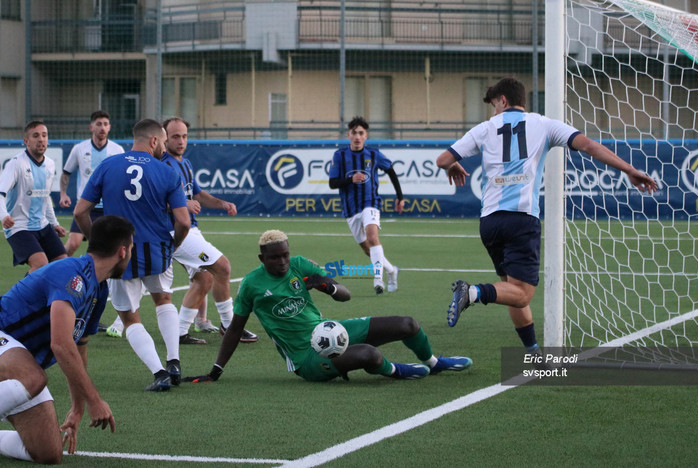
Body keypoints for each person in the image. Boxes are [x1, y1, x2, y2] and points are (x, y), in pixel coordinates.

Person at [436, 77, 658, 355]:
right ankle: (472, 293)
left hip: (490, 222)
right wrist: (628, 169)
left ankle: (533, 353)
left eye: (494, 105)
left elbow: (443, 159)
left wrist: (453, 166)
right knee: (523, 294)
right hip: (521, 219)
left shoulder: (484, 129)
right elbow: (588, 145)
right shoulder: (543, 124)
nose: (493, 112)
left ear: (503, 101)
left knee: (512, 293)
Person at [184, 230, 471, 383]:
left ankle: (433, 363)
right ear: (262, 259)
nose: (282, 262)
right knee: (370, 354)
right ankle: (395, 371)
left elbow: (343, 296)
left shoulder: (300, 265)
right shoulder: (251, 285)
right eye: (274, 258)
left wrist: (327, 285)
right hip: (305, 359)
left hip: (331, 331)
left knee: (408, 324)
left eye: (285, 255)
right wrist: (215, 370)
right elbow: (235, 329)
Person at [0, 215, 132, 463]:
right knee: (33, 378)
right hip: (5, 341)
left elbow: (78, 350)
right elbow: (60, 344)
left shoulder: (98, 289)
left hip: (21, 364)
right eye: (132, 247)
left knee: (47, 453)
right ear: (123, 251)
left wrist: (78, 409)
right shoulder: (72, 274)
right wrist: (95, 401)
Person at [74, 118, 190, 392]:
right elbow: (184, 222)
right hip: (157, 249)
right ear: (153, 141)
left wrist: (98, 242)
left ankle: (159, 372)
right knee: (163, 300)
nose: (164, 146)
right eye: (162, 141)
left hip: (117, 253)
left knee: (129, 317)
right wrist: (173, 245)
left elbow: (80, 212)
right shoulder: (168, 172)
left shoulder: (107, 165)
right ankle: (173, 361)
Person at [160, 117, 258, 345]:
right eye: (175, 136)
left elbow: (198, 194)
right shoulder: (162, 165)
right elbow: (156, 200)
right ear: (164, 138)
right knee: (222, 266)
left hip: (190, 229)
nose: (181, 141)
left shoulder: (185, 163)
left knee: (204, 279)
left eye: (184, 136)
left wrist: (222, 203)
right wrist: (183, 204)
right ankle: (230, 325)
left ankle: (180, 332)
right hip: (176, 231)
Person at [328, 116, 403, 294]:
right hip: (350, 208)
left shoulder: (374, 154)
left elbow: (391, 171)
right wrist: (350, 179)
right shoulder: (340, 155)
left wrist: (400, 197)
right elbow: (332, 183)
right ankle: (391, 270)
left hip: (371, 203)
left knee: (372, 236)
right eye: (354, 133)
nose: (357, 136)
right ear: (348, 134)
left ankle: (378, 279)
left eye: (361, 133)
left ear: (366, 136)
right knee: (366, 248)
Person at [0, 121, 67, 273]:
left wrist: (54, 223)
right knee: (40, 264)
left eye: (44, 135)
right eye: (35, 136)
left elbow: (45, 197)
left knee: (62, 264)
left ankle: (44, 296)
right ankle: (18, 297)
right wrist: (4, 216)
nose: (41, 139)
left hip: (42, 225)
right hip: (18, 226)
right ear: (26, 141)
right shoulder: (16, 164)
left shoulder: (50, 164)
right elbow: (0, 194)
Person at [59, 110, 125, 256]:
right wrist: (63, 193)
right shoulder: (79, 149)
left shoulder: (117, 150)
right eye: (99, 124)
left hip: (108, 206)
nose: (102, 128)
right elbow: (66, 173)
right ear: (91, 127)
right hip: (86, 206)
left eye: (105, 124)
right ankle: (53, 272)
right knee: (73, 244)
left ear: (109, 127)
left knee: (110, 247)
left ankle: (108, 276)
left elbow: (123, 177)